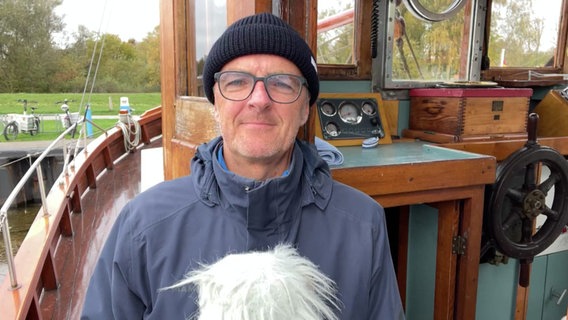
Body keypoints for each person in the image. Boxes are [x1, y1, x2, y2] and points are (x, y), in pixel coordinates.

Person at [81, 12, 405, 319]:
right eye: (237, 82)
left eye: (282, 83)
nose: (259, 99)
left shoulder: (364, 224)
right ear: (215, 104)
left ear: (305, 109)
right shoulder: (144, 226)